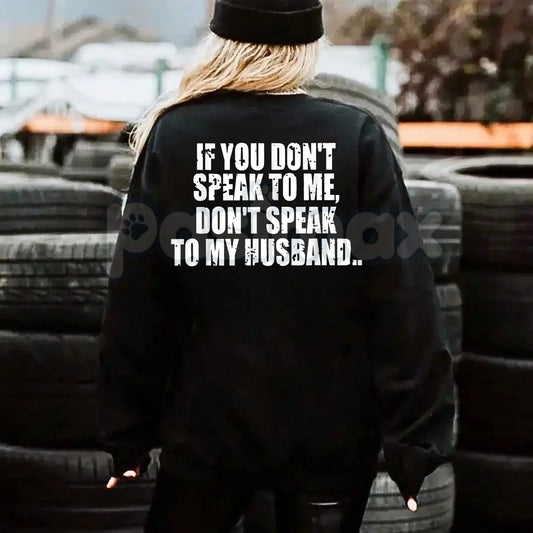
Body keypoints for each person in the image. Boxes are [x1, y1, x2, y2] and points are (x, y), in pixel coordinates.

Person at [97, 1, 456, 531]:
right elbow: (404, 298)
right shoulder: (355, 136)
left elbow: (138, 298)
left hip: (207, 437)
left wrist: (127, 432)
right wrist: (415, 445)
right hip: (330, 443)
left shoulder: (175, 135)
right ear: (309, 46)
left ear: (221, 42)